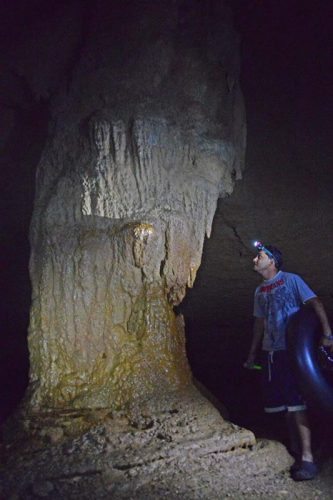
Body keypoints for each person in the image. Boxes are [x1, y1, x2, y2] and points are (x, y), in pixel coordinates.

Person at [245, 241, 333, 481]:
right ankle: (295, 450)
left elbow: (315, 303)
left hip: (291, 351)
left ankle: (308, 459)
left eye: (259, 256)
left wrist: (327, 334)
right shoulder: (259, 291)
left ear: (272, 261)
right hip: (270, 352)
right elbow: (259, 324)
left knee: (296, 405)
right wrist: (253, 353)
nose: (254, 259)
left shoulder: (292, 280)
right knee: (283, 406)